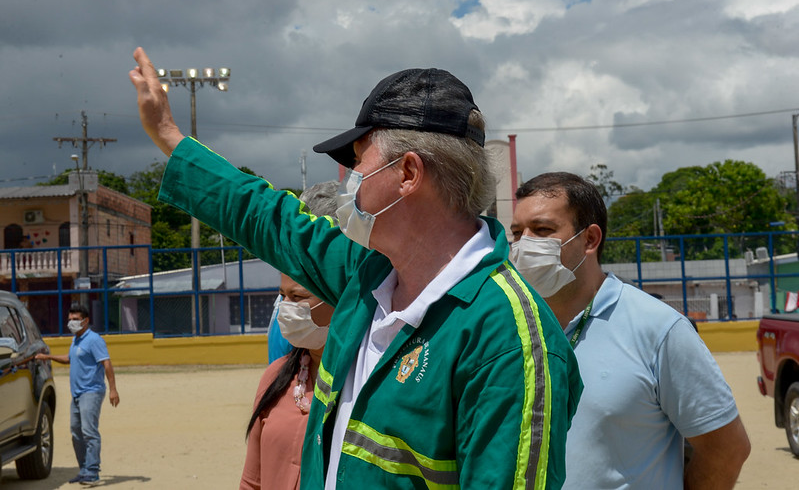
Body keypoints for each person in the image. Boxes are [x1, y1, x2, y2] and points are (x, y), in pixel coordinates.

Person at [130, 47, 581, 489]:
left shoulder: (509, 338)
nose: (349, 181)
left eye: (359, 161)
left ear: (408, 173)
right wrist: (169, 135)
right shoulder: (365, 275)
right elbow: (271, 218)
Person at [509, 172, 751, 489]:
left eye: (542, 230)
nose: (524, 245)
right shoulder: (510, 325)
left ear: (590, 240)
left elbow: (726, 449)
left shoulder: (658, 328)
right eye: (517, 233)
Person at [241, 181, 339, 490]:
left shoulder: (371, 379)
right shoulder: (277, 375)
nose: (286, 308)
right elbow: (253, 479)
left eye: (297, 297)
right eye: (283, 296)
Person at [36, 303, 120, 486]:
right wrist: (47, 357)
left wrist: (113, 389)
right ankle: (84, 469)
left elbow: (106, 363)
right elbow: (70, 358)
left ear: (86, 320)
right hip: (77, 394)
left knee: (89, 432)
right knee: (76, 431)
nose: (71, 323)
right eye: (69, 320)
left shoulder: (94, 339)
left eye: (75, 320)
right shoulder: (76, 339)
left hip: (91, 392)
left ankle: (92, 472)